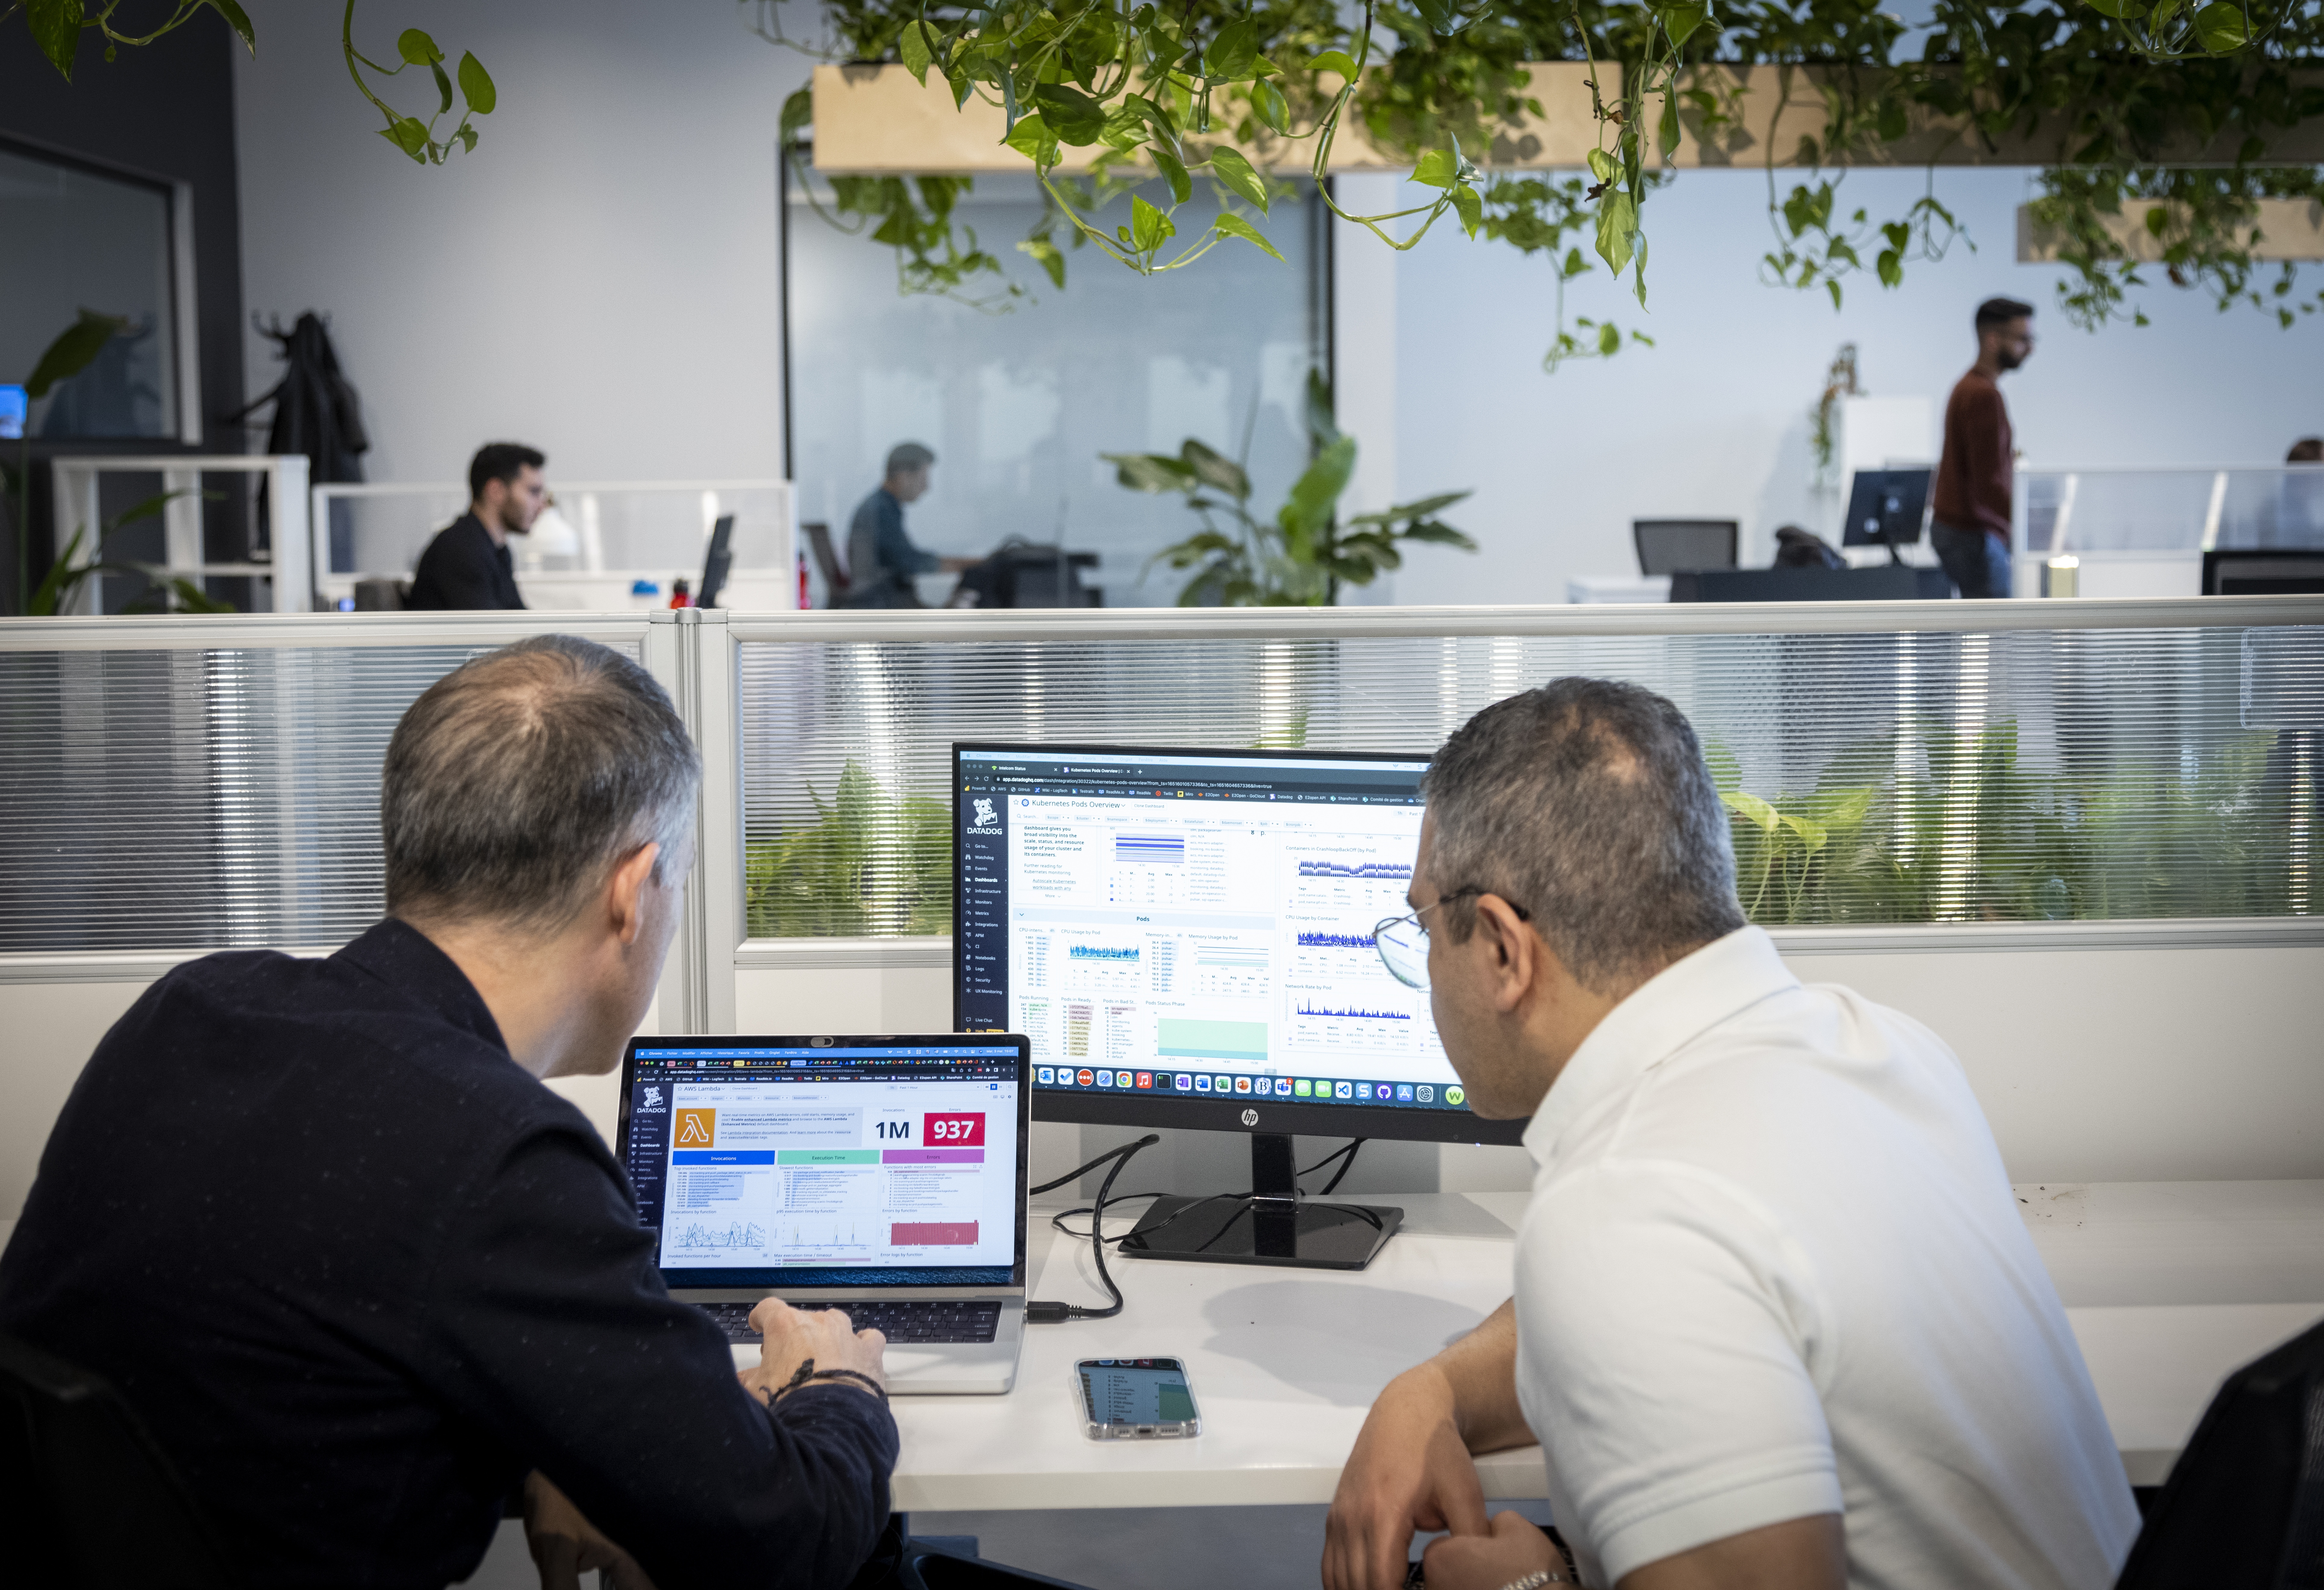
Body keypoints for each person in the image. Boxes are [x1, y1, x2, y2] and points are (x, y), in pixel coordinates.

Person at [0, 636, 898, 1588]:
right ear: (632, 893)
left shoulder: (188, 1014)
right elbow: (787, 1537)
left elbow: (290, 1378)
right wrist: (836, 1382)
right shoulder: (500, 1155)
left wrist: (553, 1446)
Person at [1323, 679, 2138, 1590]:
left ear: (1504, 950)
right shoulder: (1886, 1049)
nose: (1424, 964)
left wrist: (1534, 1586)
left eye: (1423, 925)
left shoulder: (1624, 1208)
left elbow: (1650, 1266)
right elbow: (1710, 1300)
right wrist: (1430, 1390)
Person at [1931, 298, 2035, 599]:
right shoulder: (1983, 395)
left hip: (1960, 530)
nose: (2029, 348)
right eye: (2022, 339)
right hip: (1973, 533)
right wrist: (2030, 527)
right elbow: (1989, 481)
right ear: (1993, 340)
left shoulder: (1967, 387)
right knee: (1996, 624)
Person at [406, 442, 547, 609]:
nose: (542, 505)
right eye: (534, 492)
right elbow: (492, 625)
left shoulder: (497, 550)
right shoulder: (459, 550)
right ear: (496, 491)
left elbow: (517, 617)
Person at [841, 442, 975, 607]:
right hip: (883, 603)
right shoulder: (880, 511)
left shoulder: (882, 506)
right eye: (923, 478)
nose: (926, 487)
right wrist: (966, 565)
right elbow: (909, 562)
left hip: (884, 598)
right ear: (904, 476)